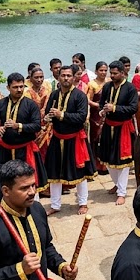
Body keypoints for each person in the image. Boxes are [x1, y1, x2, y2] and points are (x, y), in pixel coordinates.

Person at [44, 64, 96, 215]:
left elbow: (81, 118)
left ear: (73, 78)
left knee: (80, 173)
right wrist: (48, 117)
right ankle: (55, 204)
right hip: (57, 138)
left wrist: (62, 115)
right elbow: (48, 112)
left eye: (68, 76)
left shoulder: (80, 96)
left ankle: (83, 202)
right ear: (58, 77)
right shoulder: (54, 95)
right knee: (54, 173)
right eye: (63, 75)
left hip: (75, 139)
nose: (66, 78)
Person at [0, 73, 48, 195]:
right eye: (15, 87)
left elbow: (36, 125)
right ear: (8, 88)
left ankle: (32, 208)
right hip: (5, 150)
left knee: (29, 181)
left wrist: (18, 126)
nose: (19, 90)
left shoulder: (31, 104)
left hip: (25, 150)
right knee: (5, 181)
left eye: (21, 86)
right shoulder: (1, 104)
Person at [99, 60, 140, 206]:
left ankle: (122, 193)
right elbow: (101, 102)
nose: (112, 76)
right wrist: (103, 109)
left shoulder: (130, 89)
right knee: (108, 159)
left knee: (123, 162)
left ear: (123, 73)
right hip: (108, 127)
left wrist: (115, 108)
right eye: (112, 73)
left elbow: (133, 108)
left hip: (123, 128)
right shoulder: (107, 86)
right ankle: (117, 184)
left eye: (115, 73)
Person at [87, 61, 110, 175]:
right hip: (96, 116)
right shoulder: (92, 84)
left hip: (108, 113)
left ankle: (106, 165)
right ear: (96, 71)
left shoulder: (110, 82)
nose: (103, 72)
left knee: (106, 139)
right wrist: (99, 106)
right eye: (101, 70)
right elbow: (88, 100)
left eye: (105, 70)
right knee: (96, 139)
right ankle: (96, 165)